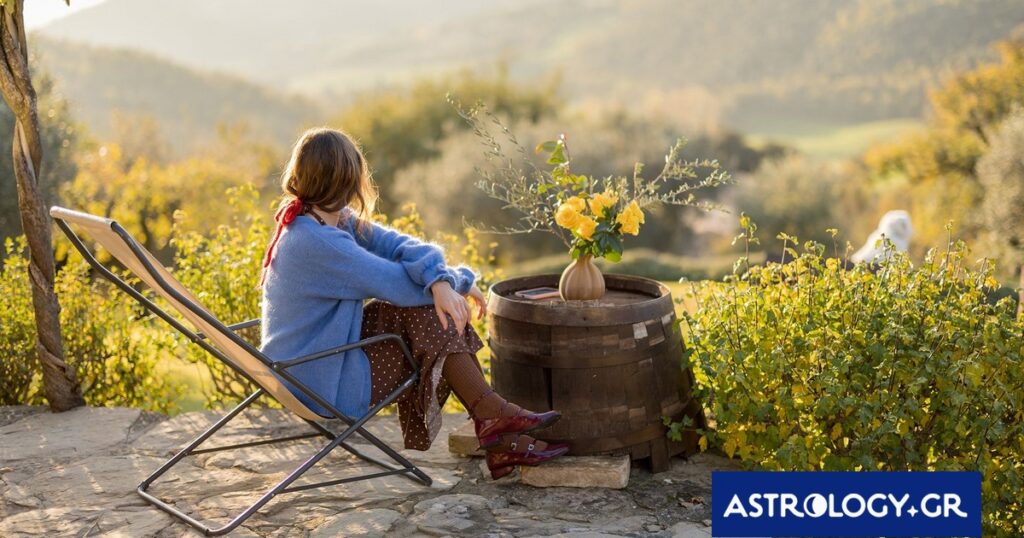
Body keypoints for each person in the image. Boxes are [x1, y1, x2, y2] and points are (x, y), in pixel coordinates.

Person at [259, 127, 567, 479]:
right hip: (320, 380)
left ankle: (496, 424)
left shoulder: (320, 221)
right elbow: (397, 285)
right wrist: (457, 282)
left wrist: (441, 279)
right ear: (348, 180)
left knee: (429, 308)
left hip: (320, 357)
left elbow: (401, 245)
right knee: (429, 312)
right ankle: (495, 421)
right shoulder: (319, 243)